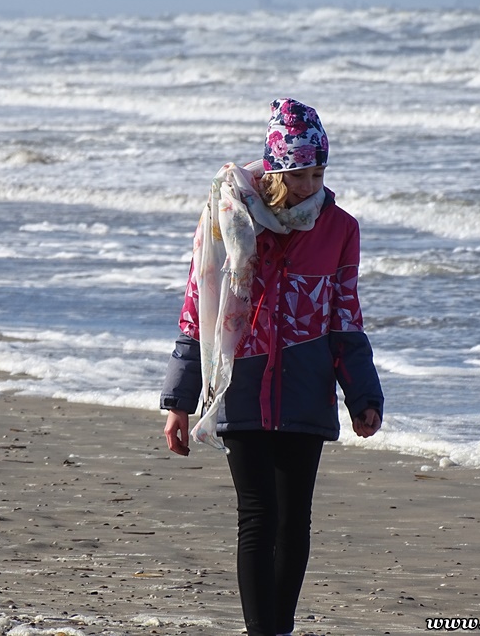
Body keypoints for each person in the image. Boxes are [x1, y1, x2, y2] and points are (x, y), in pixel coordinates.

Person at [160, 98, 384, 636]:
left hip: (307, 389)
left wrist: (363, 396)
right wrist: (179, 402)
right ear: (277, 171)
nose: (311, 185)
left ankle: (279, 628)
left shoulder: (340, 229)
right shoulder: (226, 216)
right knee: (258, 518)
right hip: (239, 386)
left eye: (318, 173)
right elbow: (197, 311)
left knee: (294, 520)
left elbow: (345, 318)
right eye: (300, 174)